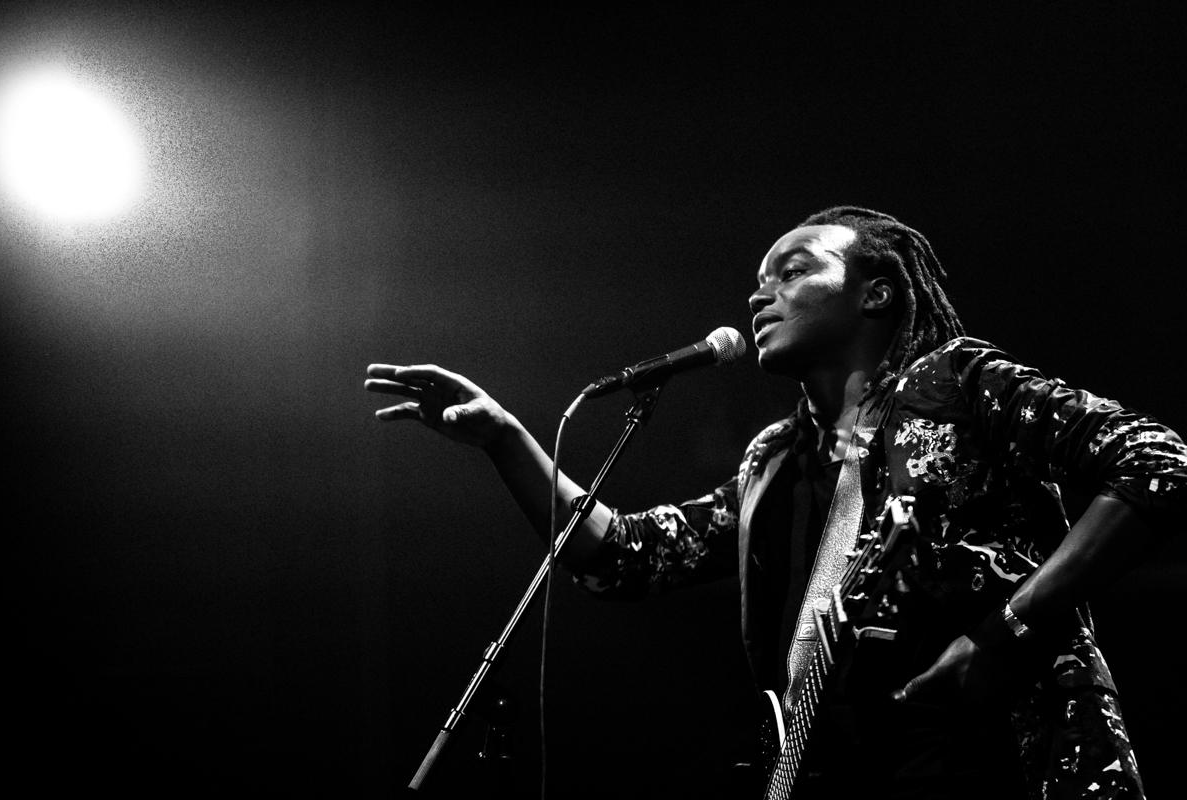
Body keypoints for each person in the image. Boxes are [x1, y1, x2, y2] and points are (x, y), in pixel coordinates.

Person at [366, 207, 1184, 799]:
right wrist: (506, 438)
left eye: (793, 272)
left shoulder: (961, 384)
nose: (761, 296)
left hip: (1006, 761)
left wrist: (1007, 630)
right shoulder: (776, 461)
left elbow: (1159, 463)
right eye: (758, 283)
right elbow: (623, 558)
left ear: (876, 293)